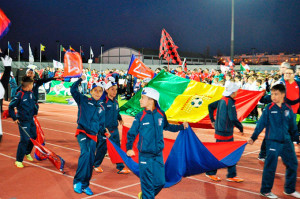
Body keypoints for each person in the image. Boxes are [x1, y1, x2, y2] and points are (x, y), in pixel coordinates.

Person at [126, 87, 188, 199]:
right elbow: (131, 133)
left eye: (142, 98)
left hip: (158, 155)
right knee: (147, 186)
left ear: (151, 100)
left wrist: (181, 127)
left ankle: (145, 196)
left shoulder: (160, 114)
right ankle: (146, 196)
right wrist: (129, 148)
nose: (140, 100)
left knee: (160, 182)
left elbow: (167, 126)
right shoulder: (140, 116)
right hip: (145, 156)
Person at [248, 84, 300, 199]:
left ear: (283, 95)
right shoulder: (269, 109)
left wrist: (296, 139)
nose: (273, 96)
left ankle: (289, 189)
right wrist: (253, 137)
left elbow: (293, 126)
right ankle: (265, 191)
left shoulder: (288, 108)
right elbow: (260, 124)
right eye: (272, 94)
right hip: (273, 142)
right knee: (270, 166)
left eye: (276, 94)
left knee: (293, 164)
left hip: (287, 142)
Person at [71, 75, 106, 196]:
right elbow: (73, 90)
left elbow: (101, 124)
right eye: (95, 90)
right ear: (91, 91)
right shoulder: (83, 100)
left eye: (100, 91)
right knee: (85, 153)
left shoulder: (101, 107)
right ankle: (77, 181)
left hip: (94, 136)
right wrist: (81, 79)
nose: (97, 92)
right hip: (83, 132)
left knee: (91, 159)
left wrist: (105, 132)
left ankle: (85, 184)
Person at [205, 82, 244, 182]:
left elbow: (210, 106)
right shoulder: (229, 102)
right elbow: (233, 118)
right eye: (236, 91)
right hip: (225, 132)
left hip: (221, 130)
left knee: (229, 152)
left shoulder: (222, 99)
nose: (237, 93)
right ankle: (211, 172)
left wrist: (212, 120)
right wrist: (241, 128)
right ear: (232, 92)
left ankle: (231, 174)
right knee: (222, 153)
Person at [93, 81, 130, 174]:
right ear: (107, 90)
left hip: (115, 130)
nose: (115, 91)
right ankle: (96, 164)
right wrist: (103, 129)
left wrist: (120, 118)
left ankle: (120, 167)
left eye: (116, 89)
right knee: (102, 149)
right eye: (112, 89)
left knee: (117, 149)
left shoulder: (116, 102)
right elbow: (99, 116)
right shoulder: (103, 102)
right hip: (105, 130)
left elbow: (117, 112)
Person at [8, 76, 38, 168]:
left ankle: (27, 152)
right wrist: (14, 118)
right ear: (28, 86)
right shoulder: (19, 95)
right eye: (32, 84)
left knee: (34, 136)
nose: (33, 86)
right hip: (23, 121)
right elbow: (11, 107)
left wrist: (35, 111)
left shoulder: (31, 93)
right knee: (24, 140)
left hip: (31, 119)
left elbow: (34, 103)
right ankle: (18, 160)